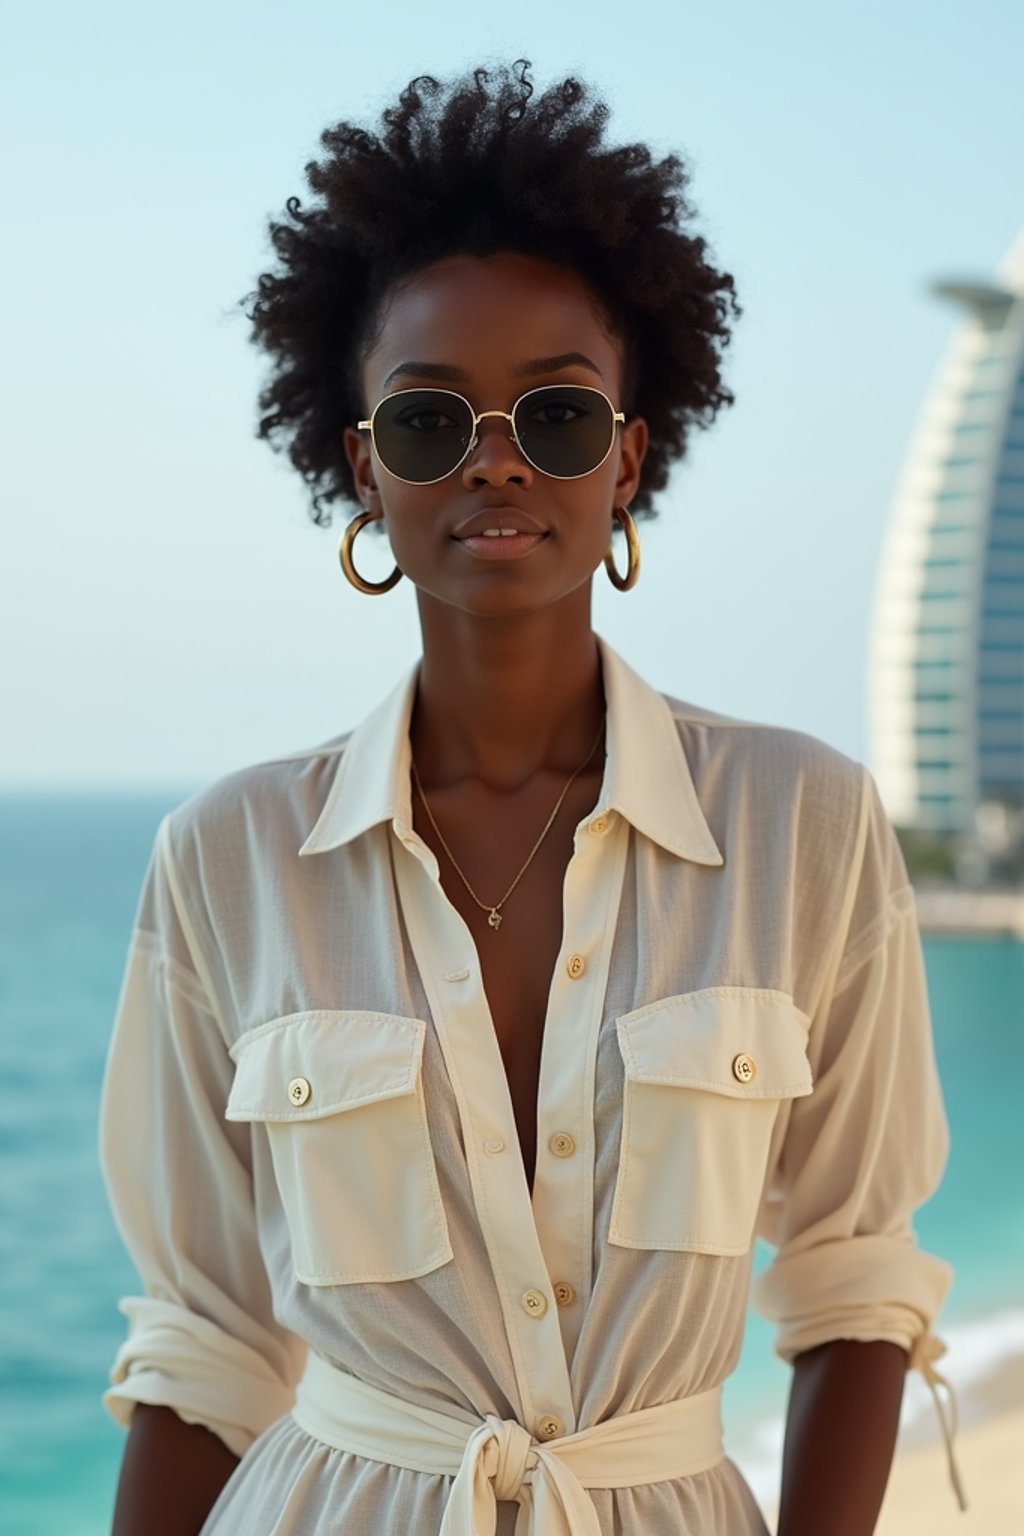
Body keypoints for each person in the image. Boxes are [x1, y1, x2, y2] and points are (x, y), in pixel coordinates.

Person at [99, 59, 963, 1536]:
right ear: (363, 468)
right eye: (432, 424)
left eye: (556, 418)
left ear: (629, 456)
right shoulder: (228, 858)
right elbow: (208, 1347)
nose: (496, 464)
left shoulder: (800, 824)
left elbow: (854, 1288)